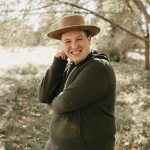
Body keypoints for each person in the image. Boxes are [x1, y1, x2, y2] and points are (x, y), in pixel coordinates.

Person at [38, 14, 116, 150]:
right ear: (62, 44)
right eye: (67, 42)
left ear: (89, 39)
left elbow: (63, 104)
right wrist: (58, 64)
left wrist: (53, 101)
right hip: (55, 145)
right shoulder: (69, 65)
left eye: (79, 39)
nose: (74, 46)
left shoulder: (98, 67)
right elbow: (44, 95)